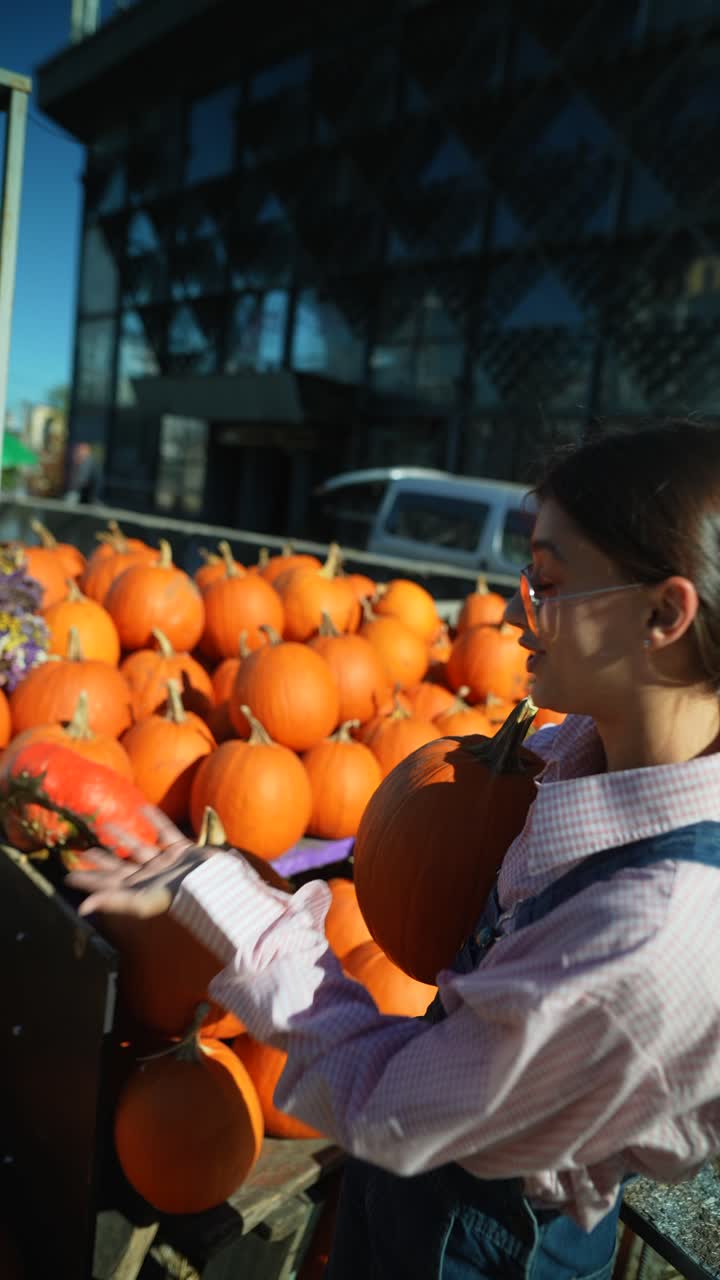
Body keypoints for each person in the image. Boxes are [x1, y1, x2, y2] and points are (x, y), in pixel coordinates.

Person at [67, 421, 720, 1279]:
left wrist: (236, 907)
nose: (514, 608)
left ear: (663, 613)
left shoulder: (652, 935)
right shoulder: (592, 757)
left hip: (487, 1241)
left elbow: (386, 1102)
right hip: (446, 1157)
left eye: (549, 582)